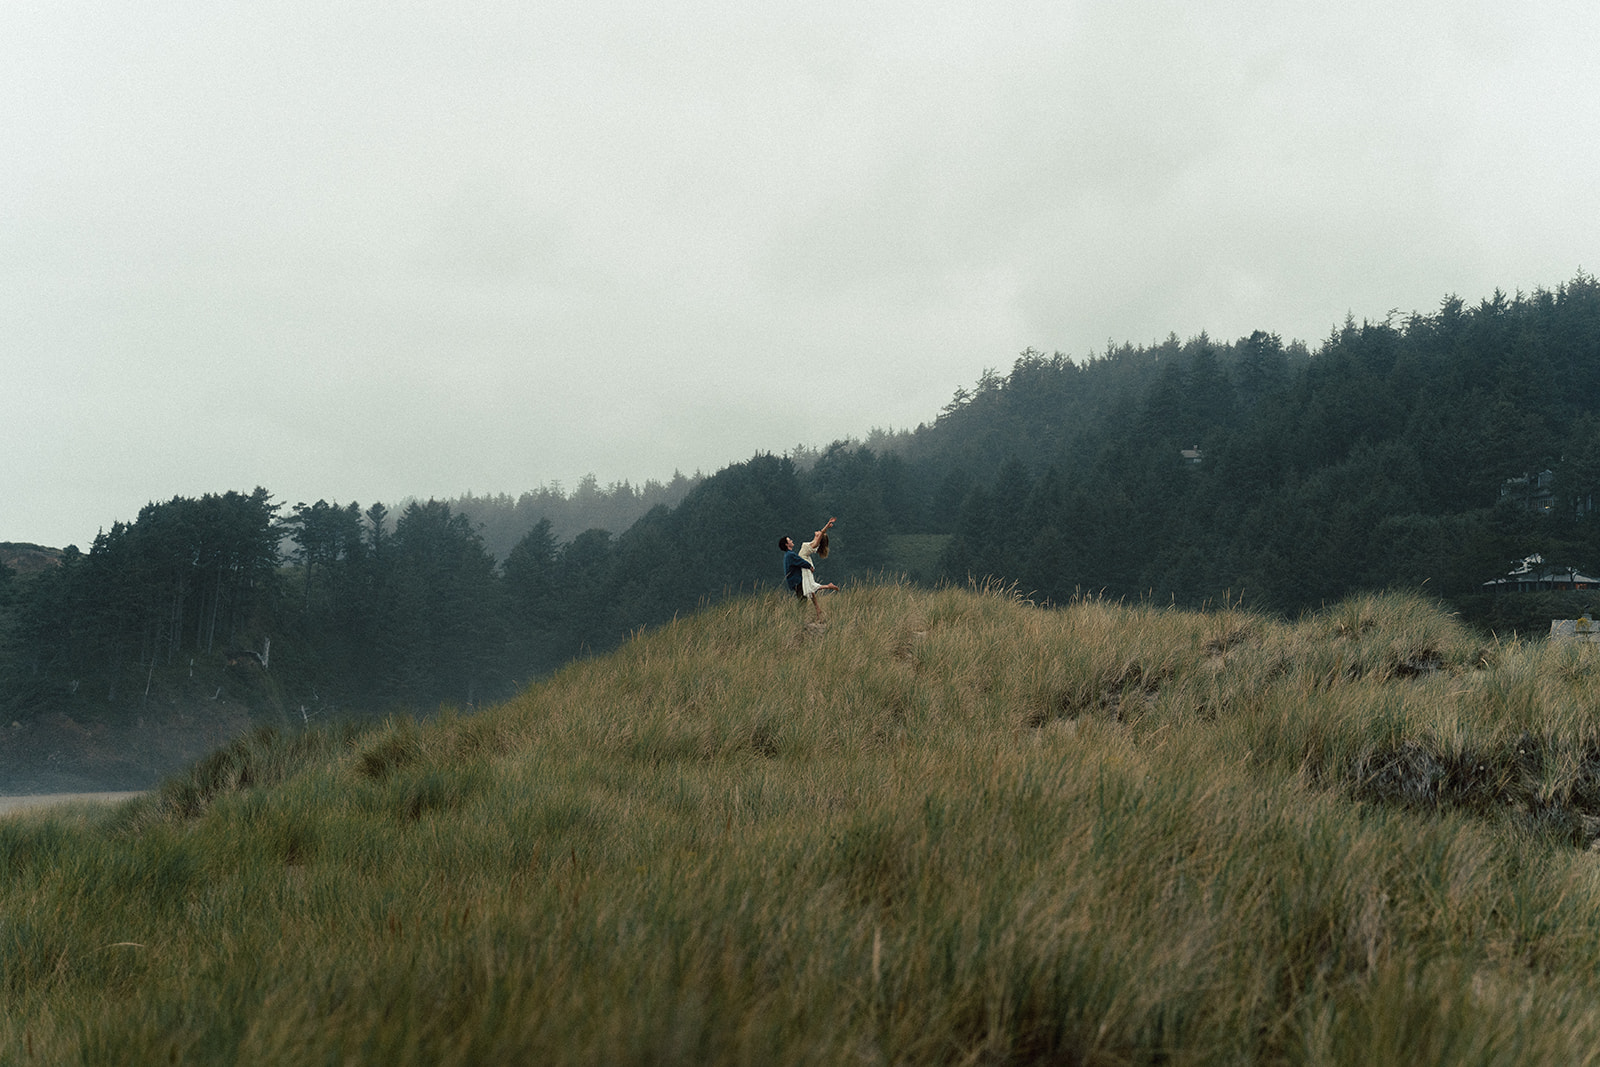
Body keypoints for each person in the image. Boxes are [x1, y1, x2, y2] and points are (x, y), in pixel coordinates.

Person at [782, 517, 838, 621]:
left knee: (809, 586)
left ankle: (828, 587)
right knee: (809, 588)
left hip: (805, 565)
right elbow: (821, 533)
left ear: (819, 537)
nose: (817, 531)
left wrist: (827, 525)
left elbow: (822, 532)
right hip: (803, 564)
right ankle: (818, 610)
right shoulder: (813, 542)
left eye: (819, 533)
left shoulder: (814, 544)